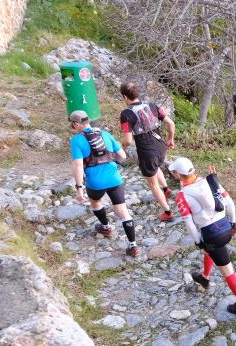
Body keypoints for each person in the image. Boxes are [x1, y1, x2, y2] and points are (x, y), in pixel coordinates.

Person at [169, 157, 236, 315]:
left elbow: (190, 224)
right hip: (225, 226)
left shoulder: (182, 196)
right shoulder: (211, 181)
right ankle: (204, 277)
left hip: (212, 235)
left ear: (178, 174)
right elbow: (230, 203)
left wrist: (199, 243)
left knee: (227, 269)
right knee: (209, 250)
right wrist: (233, 224)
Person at [69, 110, 139, 257]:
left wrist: (79, 188)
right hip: (114, 179)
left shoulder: (76, 140)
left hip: (95, 182)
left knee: (95, 202)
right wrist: (113, 163)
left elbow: (78, 165)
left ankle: (106, 227)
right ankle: (133, 245)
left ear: (76, 124)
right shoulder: (105, 134)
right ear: (88, 121)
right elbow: (122, 156)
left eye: (72, 125)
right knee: (122, 210)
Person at [119, 81, 176, 222]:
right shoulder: (152, 105)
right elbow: (171, 123)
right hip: (161, 146)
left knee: (152, 184)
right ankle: (167, 190)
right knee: (155, 167)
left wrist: (121, 148)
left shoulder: (126, 114)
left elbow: (128, 141)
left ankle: (168, 213)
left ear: (125, 97)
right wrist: (170, 139)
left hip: (146, 151)